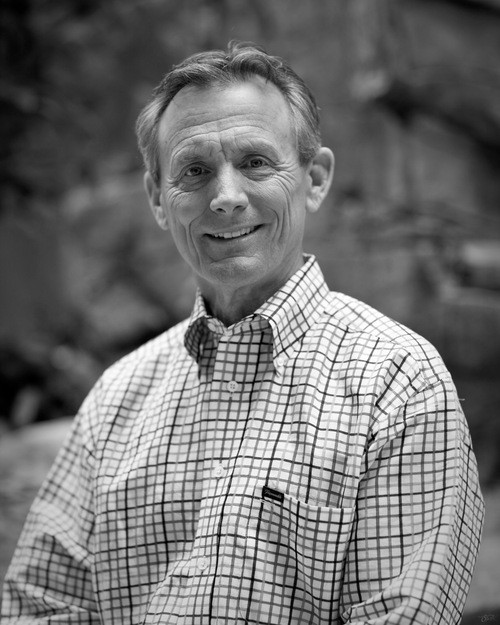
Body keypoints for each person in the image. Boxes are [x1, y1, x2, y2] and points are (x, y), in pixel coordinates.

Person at [2, 41, 484, 625]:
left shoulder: (398, 382)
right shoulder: (116, 399)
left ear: (314, 179)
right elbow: (40, 606)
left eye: (256, 162)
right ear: (158, 199)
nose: (226, 198)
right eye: (194, 171)